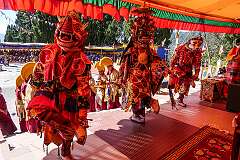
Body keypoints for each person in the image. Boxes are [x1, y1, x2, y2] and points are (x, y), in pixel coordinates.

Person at [27, 11, 91, 159]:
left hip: (70, 97)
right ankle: (65, 133)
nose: (64, 38)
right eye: (62, 34)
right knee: (45, 115)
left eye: (69, 36)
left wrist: (82, 118)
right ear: (57, 33)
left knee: (70, 126)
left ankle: (66, 149)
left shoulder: (81, 59)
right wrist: (33, 92)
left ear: (78, 38)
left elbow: (83, 88)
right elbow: (38, 73)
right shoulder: (48, 51)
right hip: (50, 95)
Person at [119, 8, 166, 123]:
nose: (145, 38)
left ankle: (141, 113)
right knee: (141, 95)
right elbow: (157, 62)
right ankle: (147, 105)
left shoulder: (132, 49)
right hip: (145, 78)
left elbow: (125, 65)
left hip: (134, 78)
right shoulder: (149, 50)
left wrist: (122, 79)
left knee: (135, 97)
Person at [169, 36, 203, 107]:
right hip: (178, 68)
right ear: (190, 41)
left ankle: (180, 99)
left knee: (185, 85)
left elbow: (197, 64)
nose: (196, 46)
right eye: (194, 43)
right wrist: (171, 67)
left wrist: (196, 74)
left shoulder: (198, 52)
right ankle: (174, 95)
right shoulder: (181, 48)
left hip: (188, 69)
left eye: (199, 44)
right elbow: (174, 59)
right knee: (174, 84)